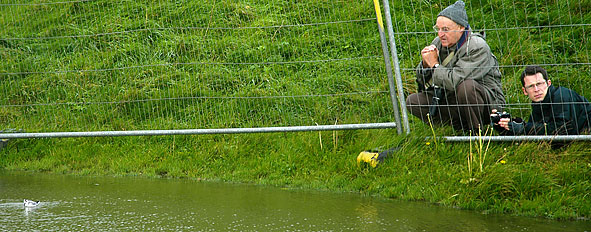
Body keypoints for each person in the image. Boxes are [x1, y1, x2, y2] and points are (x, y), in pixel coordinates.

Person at [406, 0, 505, 132]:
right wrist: (425, 65)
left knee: (466, 87)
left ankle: (475, 133)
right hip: (451, 97)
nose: (440, 34)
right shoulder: (439, 42)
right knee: (413, 101)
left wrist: (434, 65)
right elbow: (422, 82)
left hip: (486, 102)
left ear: (461, 28)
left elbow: (455, 81)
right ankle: (457, 128)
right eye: (438, 29)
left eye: (445, 29)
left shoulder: (476, 46)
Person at [492, 65, 591, 135]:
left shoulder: (561, 95)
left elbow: (562, 130)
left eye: (539, 84)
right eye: (531, 86)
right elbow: (534, 133)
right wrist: (505, 126)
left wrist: (523, 128)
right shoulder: (538, 104)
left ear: (548, 83)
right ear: (525, 91)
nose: (536, 90)